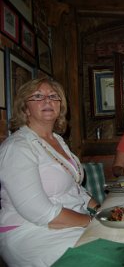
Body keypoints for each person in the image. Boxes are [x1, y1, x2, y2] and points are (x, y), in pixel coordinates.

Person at [0, 77, 100, 266]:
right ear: (25, 108)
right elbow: (40, 213)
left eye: (53, 96)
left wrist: (101, 211)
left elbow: (74, 185)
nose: (47, 100)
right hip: (31, 232)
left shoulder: (57, 140)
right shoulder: (17, 147)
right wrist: (92, 221)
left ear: (60, 106)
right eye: (38, 96)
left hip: (70, 223)